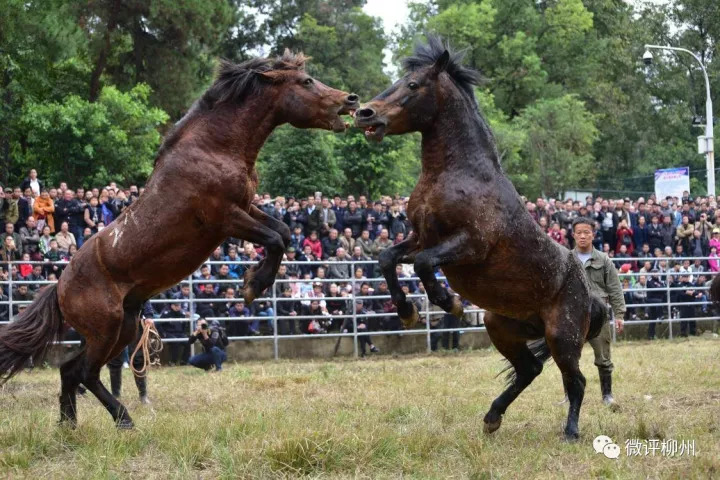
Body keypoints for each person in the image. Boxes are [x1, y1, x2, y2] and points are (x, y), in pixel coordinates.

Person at [571, 217, 625, 407]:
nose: (583, 236)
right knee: (568, 359)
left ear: (593, 235)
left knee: (603, 356)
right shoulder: (567, 258)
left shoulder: (603, 260)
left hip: (598, 315)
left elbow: (615, 289)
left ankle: (607, 395)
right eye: (579, 233)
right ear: (573, 235)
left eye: (587, 232)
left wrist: (619, 314)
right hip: (572, 316)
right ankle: (570, 396)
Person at [106, 302, 155, 404]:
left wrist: (149, 315)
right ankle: (116, 394)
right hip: (114, 321)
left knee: (138, 359)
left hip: (134, 319)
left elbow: (143, 295)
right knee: (114, 360)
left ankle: (143, 395)